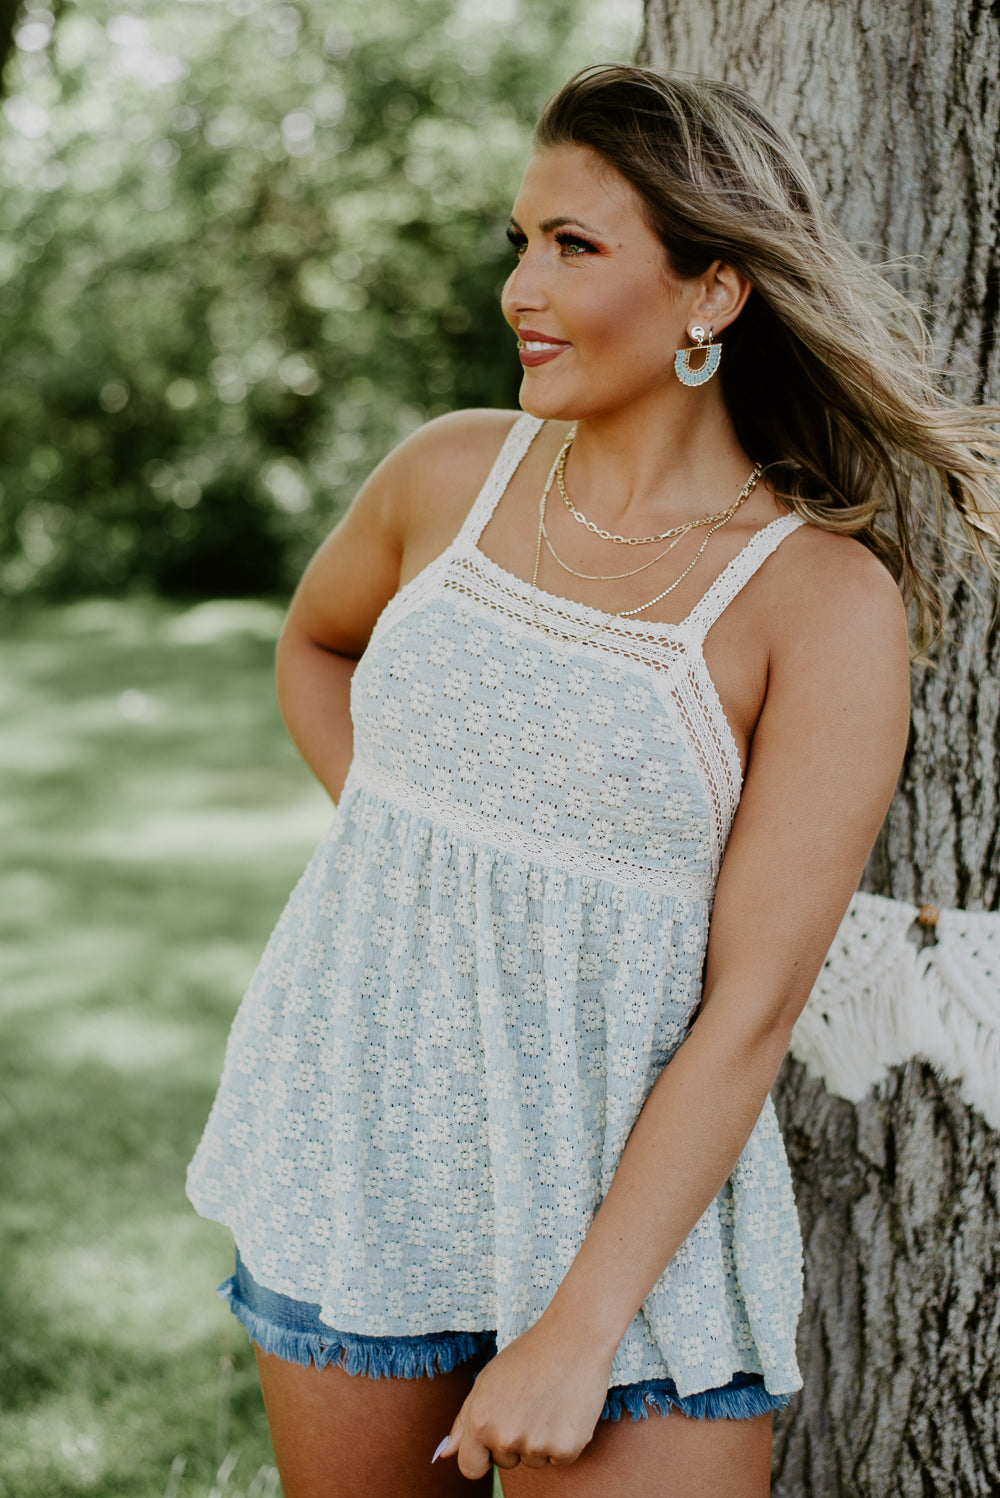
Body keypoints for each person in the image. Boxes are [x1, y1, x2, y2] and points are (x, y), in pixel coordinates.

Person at [186, 64, 999, 1498]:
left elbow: (752, 1007)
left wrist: (579, 1326)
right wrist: (407, 847)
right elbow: (315, 645)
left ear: (713, 293)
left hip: (630, 1219)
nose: (522, 288)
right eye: (521, 242)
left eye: (574, 246)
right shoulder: (449, 474)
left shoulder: (817, 601)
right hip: (362, 1139)